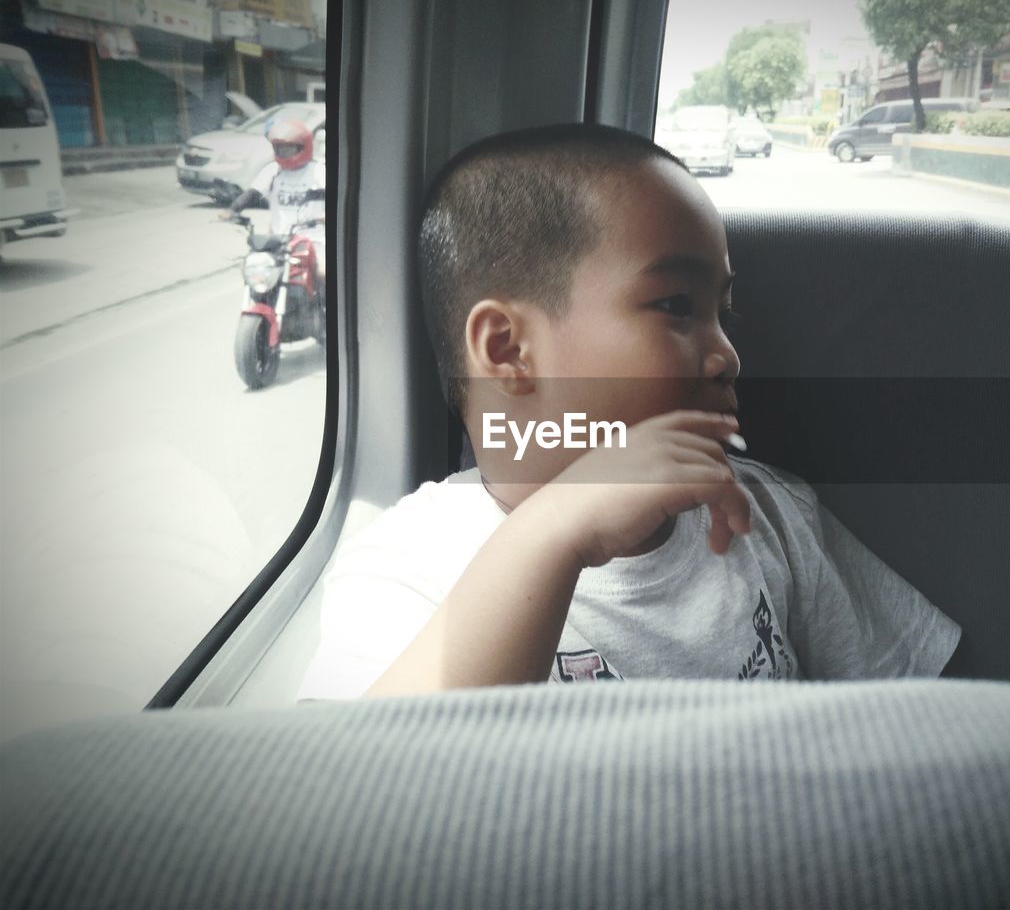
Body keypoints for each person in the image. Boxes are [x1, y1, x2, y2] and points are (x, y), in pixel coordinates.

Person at [298, 123, 960, 698]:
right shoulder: (406, 563)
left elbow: (915, 722)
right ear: (507, 350)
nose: (728, 356)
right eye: (676, 306)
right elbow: (356, 789)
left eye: (722, 314)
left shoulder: (768, 513)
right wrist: (557, 529)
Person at [222, 116, 326, 279]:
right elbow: (253, 193)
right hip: (279, 241)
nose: (284, 153)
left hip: (313, 241)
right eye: (280, 148)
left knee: (322, 274)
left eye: (289, 149)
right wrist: (232, 209)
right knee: (251, 270)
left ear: (303, 147)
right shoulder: (273, 170)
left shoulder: (318, 171)